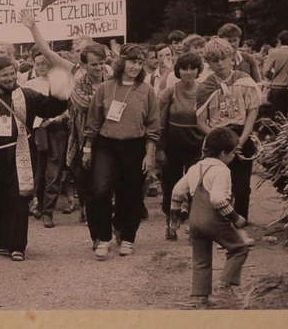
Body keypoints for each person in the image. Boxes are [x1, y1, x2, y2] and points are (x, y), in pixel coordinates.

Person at [0, 56, 71, 261]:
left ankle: (18, 245)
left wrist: (59, 93)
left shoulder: (26, 94)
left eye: (12, 74)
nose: (10, 78)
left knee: (19, 197)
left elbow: (50, 107)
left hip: (22, 153)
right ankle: (2, 241)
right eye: (4, 75)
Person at [83, 44, 160, 260]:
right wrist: (88, 148)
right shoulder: (106, 88)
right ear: (122, 62)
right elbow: (94, 121)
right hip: (107, 146)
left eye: (140, 62)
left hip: (134, 146)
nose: (135, 66)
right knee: (101, 191)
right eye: (132, 61)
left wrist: (149, 153)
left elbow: (153, 125)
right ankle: (104, 237)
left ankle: (127, 236)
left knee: (132, 194)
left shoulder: (147, 91)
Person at [169, 127, 249, 308]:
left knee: (201, 259)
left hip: (195, 220)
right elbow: (217, 199)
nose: (235, 156)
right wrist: (235, 218)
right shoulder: (222, 171)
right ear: (223, 153)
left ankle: (199, 296)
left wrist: (174, 221)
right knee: (239, 249)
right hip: (213, 220)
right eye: (234, 152)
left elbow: (177, 191)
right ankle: (225, 284)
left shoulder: (195, 168)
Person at [197, 38, 261, 222]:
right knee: (217, 185)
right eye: (215, 60)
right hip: (218, 137)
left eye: (224, 58)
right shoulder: (205, 87)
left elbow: (252, 111)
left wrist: (241, 139)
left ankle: (240, 225)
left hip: (241, 135)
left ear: (231, 58)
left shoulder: (244, 81)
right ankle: (217, 225)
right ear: (208, 62)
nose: (220, 63)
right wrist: (219, 141)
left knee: (241, 187)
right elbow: (201, 121)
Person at [157, 52, 205, 240]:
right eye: (184, 68)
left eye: (193, 68)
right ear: (178, 70)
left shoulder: (204, 90)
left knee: (196, 188)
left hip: (196, 146)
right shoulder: (170, 92)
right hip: (172, 148)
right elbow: (159, 122)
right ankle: (171, 223)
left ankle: (194, 227)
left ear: (198, 70)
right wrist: (160, 148)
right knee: (171, 186)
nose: (188, 72)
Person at [24, 50, 70, 228]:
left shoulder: (59, 82)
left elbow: (68, 107)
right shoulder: (29, 84)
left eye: (45, 63)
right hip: (36, 130)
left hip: (56, 130)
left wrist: (57, 117)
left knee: (54, 170)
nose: (42, 66)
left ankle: (49, 211)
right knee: (37, 170)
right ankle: (38, 204)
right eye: (38, 63)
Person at [67, 44, 110, 229]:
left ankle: (102, 210)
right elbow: (82, 103)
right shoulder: (76, 82)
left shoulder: (112, 80)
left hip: (109, 136)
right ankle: (86, 205)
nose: (99, 68)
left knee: (105, 177)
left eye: (101, 63)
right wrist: (105, 101)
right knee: (82, 175)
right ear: (83, 65)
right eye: (94, 64)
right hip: (82, 135)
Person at [263, 30, 288, 119]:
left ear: (279, 40)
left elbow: (265, 71)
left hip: (276, 87)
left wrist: (273, 77)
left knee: (276, 114)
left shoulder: (274, 53)